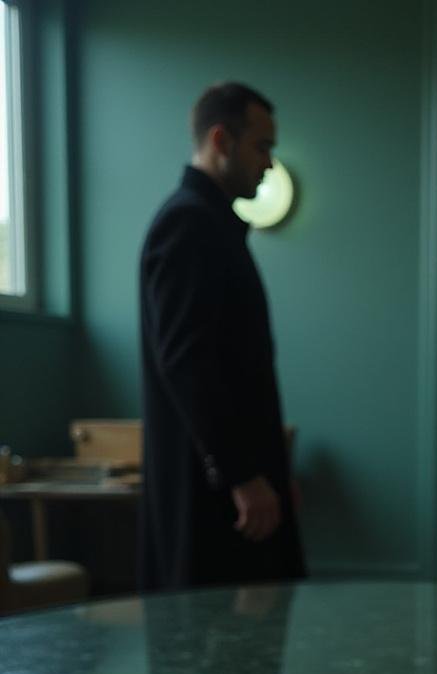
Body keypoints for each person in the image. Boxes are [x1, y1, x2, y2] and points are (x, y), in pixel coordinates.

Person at [138, 81, 306, 591]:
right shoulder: (189, 224)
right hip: (214, 500)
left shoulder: (208, 223)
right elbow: (186, 360)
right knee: (219, 653)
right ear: (220, 140)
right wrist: (242, 475)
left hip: (227, 490)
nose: (270, 164)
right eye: (262, 147)